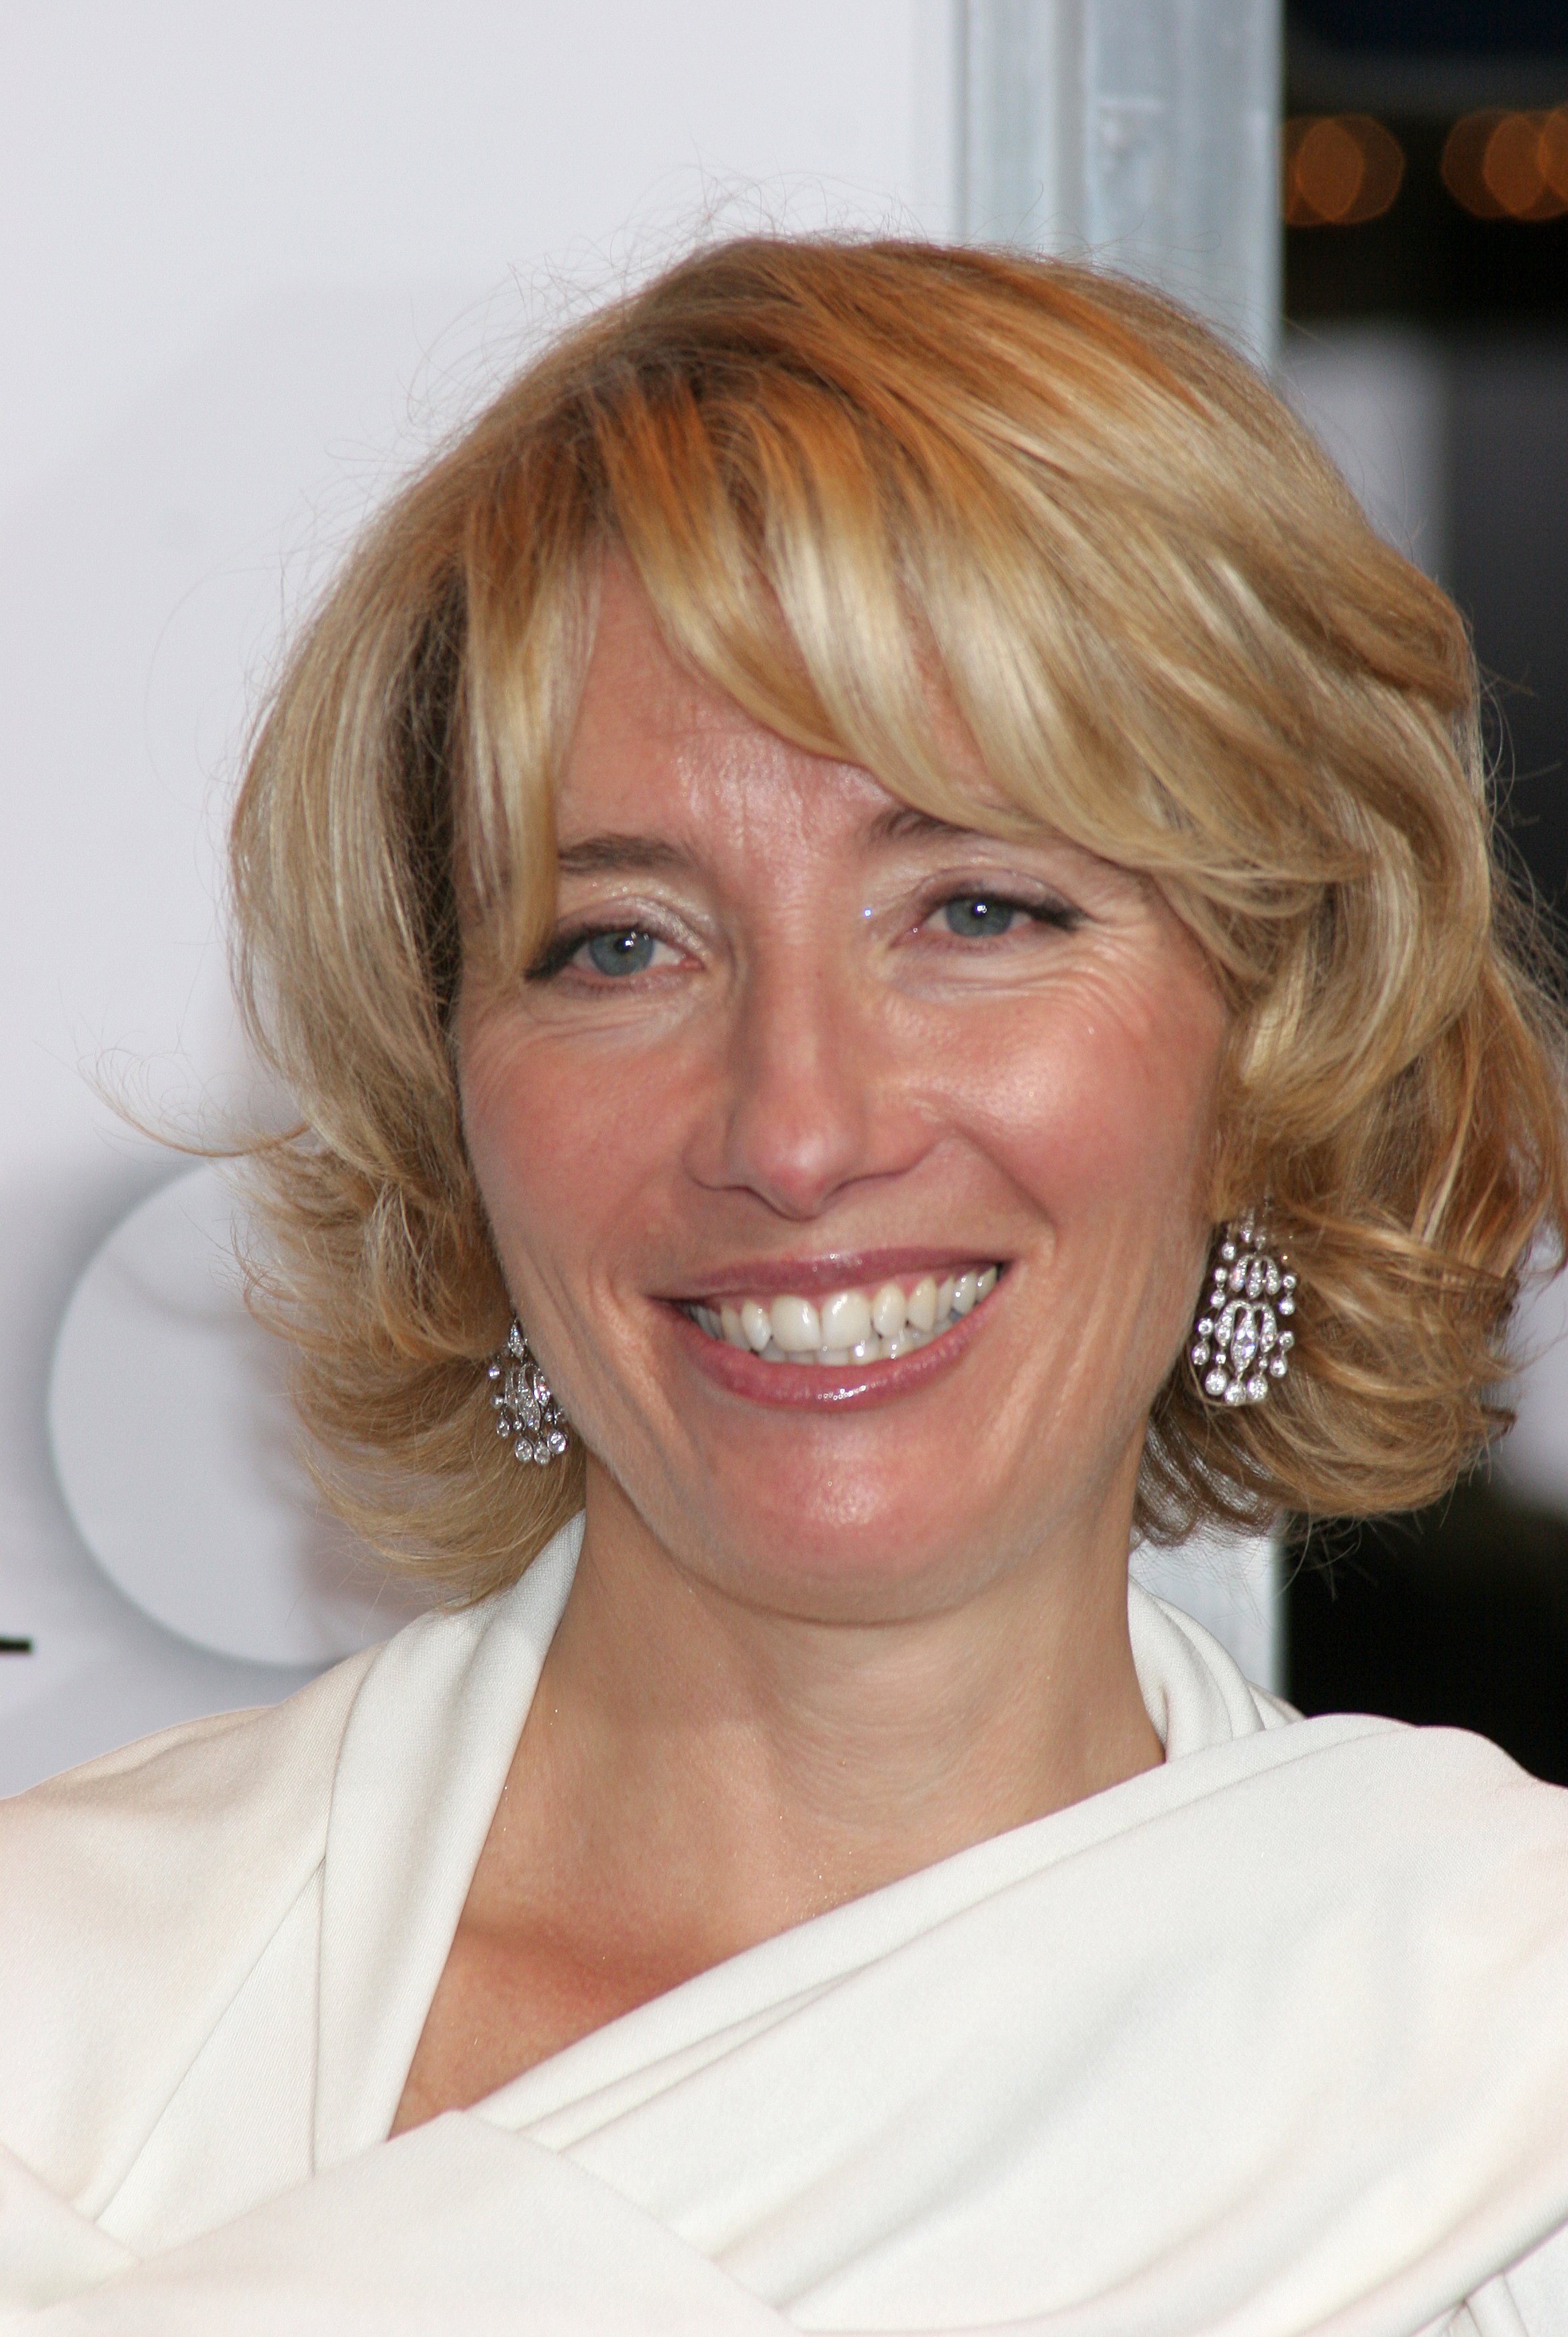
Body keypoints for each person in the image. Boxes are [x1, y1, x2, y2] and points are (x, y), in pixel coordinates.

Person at [3, 235, 1568, 2336]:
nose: (799, 1129)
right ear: (451, 1105)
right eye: (622, 947)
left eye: (979, 910)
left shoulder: (1500, 2079)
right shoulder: (60, 2039)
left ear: (1274, 1042)